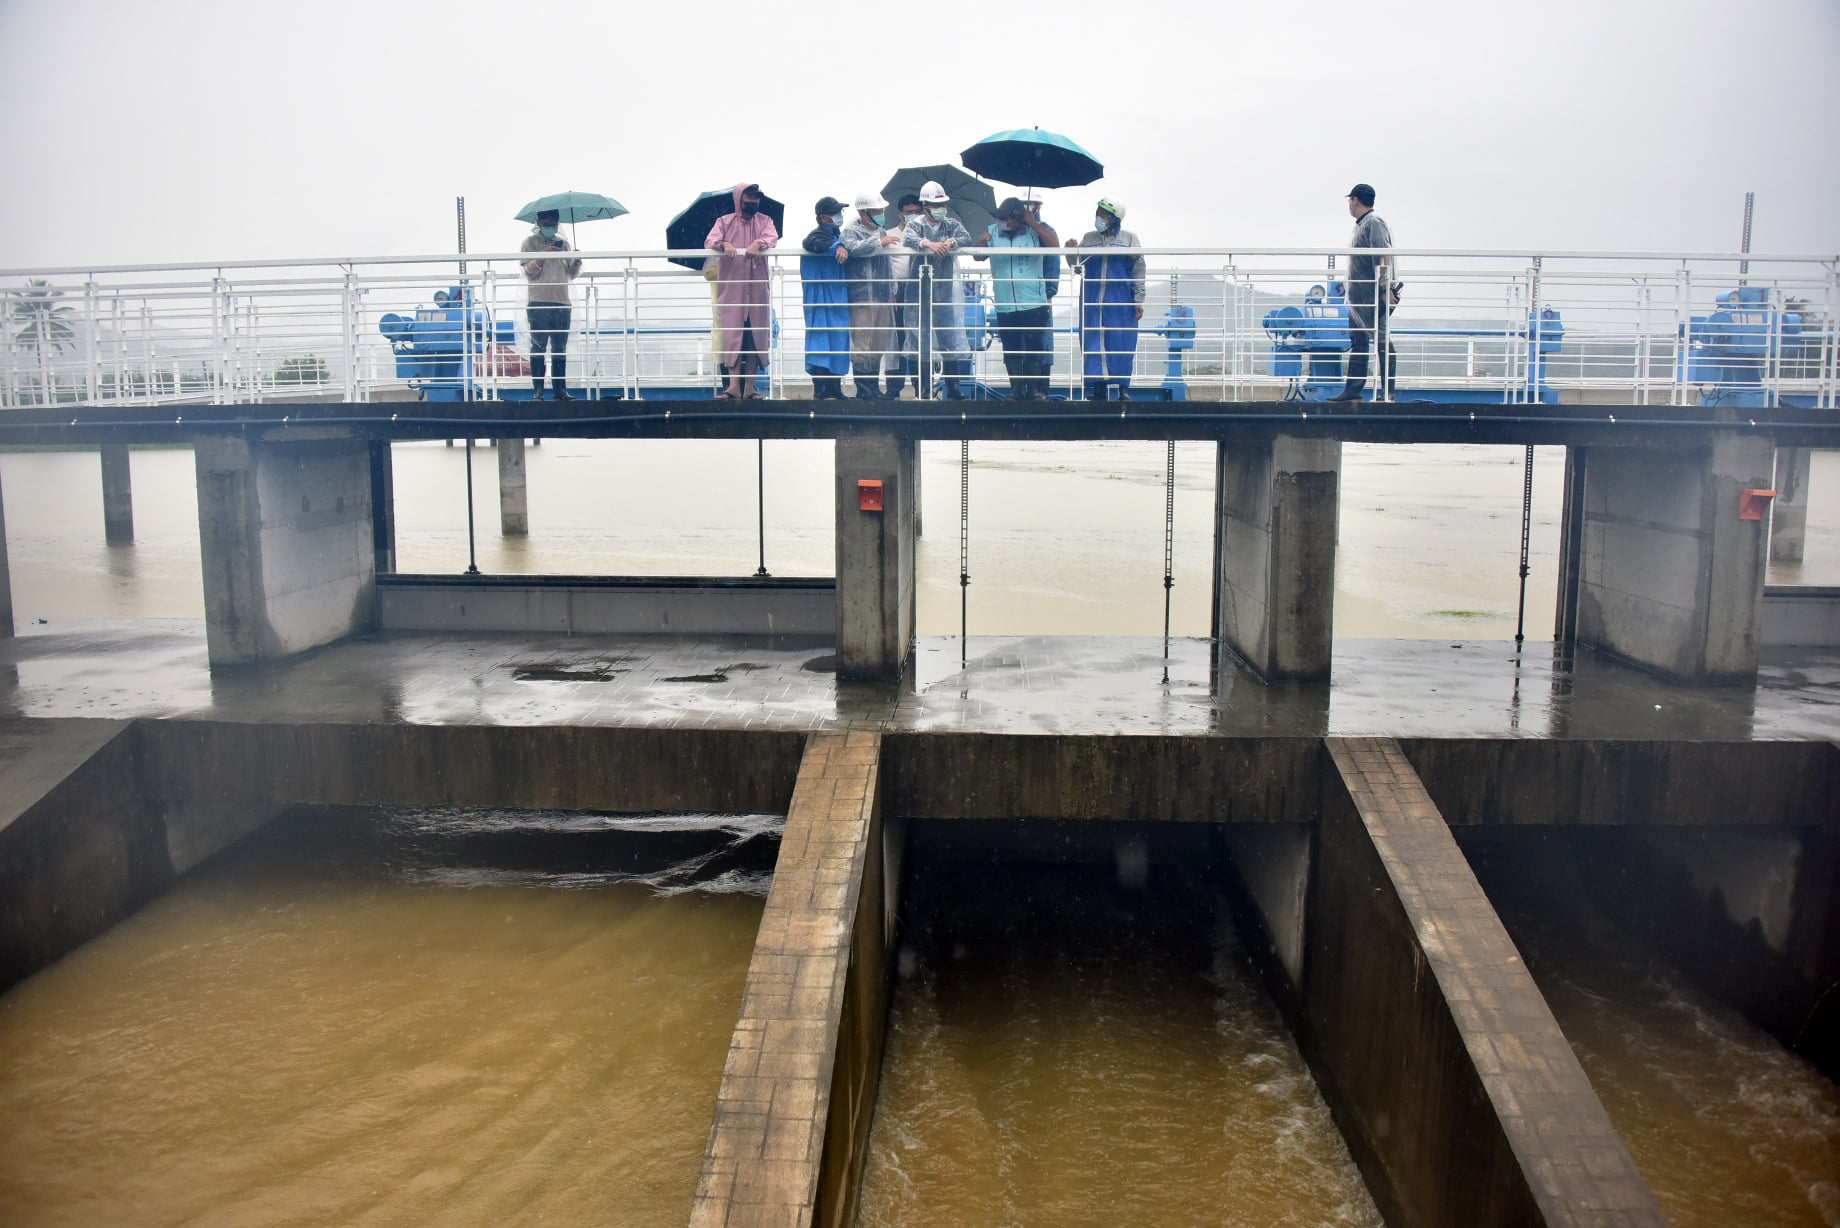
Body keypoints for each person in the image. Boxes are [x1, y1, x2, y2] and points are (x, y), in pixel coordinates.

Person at [973, 197, 1058, 401]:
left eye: (1007, 219)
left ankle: (1034, 391)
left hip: (1033, 301)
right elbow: (978, 255)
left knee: (1034, 348)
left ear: (1019, 218)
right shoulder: (993, 230)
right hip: (1005, 302)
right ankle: (1017, 390)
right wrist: (982, 241)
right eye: (1000, 218)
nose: (1003, 222)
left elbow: (1054, 245)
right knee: (1010, 347)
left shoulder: (1036, 230)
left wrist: (1033, 223)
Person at [902, 181, 976, 400]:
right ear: (925, 206)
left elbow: (966, 238)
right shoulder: (915, 225)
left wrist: (950, 242)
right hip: (919, 293)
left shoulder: (951, 224)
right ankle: (923, 389)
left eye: (943, 204)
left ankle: (953, 388)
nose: (940, 208)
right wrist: (929, 244)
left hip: (943, 292)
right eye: (936, 204)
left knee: (948, 339)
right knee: (920, 340)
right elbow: (909, 239)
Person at [706, 183, 779, 400]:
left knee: (755, 337)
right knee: (733, 335)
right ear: (739, 198)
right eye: (749, 197)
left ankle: (750, 388)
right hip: (733, 289)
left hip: (757, 289)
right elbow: (710, 240)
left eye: (757, 198)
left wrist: (758, 243)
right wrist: (725, 244)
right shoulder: (724, 222)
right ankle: (733, 386)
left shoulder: (765, 221)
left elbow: (771, 238)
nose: (753, 201)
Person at [1066, 198, 1144, 401]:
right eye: (1097, 213)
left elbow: (1139, 270)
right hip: (1092, 298)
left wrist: (1138, 299)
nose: (1099, 218)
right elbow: (1076, 267)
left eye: (1104, 215)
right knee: (1093, 341)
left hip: (1120, 299)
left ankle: (1123, 389)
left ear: (1115, 218)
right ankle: (1098, 388)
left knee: (1121, 340)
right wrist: (1070, 251)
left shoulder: (1129, 239)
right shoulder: (1089, 238)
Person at [1330, 182, 1400, 403]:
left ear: (1355, 200)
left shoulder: (1373, 223)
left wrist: (1386, 288)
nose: (1349, 205)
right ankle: (1353, 391)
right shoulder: (1361, 225)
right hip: (1359, 298)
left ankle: (1386, 394)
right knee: (1358, 341)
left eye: (1350, 200)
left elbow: (1383, 255)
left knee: (1381, 340)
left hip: (1372, 296)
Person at [837, 190, 902, 399]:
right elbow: (852, 249)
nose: (882, 214)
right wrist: (878, 244)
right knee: (862, 344)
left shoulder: (881, 231)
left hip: (882, 296)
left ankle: (874, 387)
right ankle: (863, 389)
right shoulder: (851, 231)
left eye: (882, 210)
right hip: (861, 296)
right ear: (864, 213)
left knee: (878, 344)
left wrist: (892, 290)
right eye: (877, 211)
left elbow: (889, 264)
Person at [520, 209, 583, 401]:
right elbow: (529, 272)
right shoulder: (529, 243)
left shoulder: (564, 243)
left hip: (561, 301)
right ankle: (538, 391)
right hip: (539, 300)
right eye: (547, 223)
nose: (551, 226)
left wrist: (576, 261)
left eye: (554, 223)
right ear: (538, 222)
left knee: (559, 347)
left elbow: (570, 274)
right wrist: (543, 255)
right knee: (538, 346)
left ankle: (559, 391)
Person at [799, 196, 851, 399]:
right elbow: (812, 241)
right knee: (821, 338)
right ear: (823, 217)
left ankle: (835, 389)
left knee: (838, 338)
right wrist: (836, 247)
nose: (839, 216)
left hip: (837, 294)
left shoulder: (839, 235)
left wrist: (839, 244)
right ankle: (821, 390)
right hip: (820, 295)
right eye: (835, 213)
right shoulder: (818, 235)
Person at [884, 194, 925, 399]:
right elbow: (884, 265)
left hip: (921, 288)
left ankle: (922, 389)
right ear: (899, 213)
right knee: (897, 341)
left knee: (920, 340)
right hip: (897, 290)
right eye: (909, 212)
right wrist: (889, 291)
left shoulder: (926, 234)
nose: (913, 215)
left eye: (918, 211)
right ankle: (893, 390)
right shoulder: (889, 234)